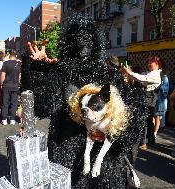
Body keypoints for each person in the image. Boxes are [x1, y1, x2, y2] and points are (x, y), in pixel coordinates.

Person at [27, 13, 146, 189]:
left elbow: (131, 112)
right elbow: (42, 107)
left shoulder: (109, 74)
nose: (82, 45)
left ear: (95, 43)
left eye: (87, 39)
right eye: (78, 40)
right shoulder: (60, 73)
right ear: (69, 44)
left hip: (103, 160)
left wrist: (113, 132)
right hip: (66, 152)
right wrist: (39, 70)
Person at [122, 56, 162, 149]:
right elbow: (141, 76)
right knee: (148, 122)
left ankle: (144, 143)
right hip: (149, 100)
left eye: (150, 62)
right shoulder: (152, 73)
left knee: (144, 122)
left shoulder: (155, 74)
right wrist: (130, 72)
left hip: (149, 100)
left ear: (157, 64)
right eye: (148, 62)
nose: (148, 64)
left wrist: (130, 72)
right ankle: (150, 141)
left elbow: (142, 78)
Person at [0, 50, 21, 125]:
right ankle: (12, 119)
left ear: (9, 55)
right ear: (16, 55)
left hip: (6, 85)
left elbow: (3, 75)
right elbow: (19, 76)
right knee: (14, 103)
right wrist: (18, 83)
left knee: (5, 103)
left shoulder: (5, 63)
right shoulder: (19, 64)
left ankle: (4, 119)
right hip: (15, 85)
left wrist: (1, 84)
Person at [153, 62, 170, 140]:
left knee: (157, 117)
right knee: (154, 116)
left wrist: (156, 87)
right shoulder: (158, 76)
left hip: (160, 101)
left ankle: (154, 133)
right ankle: (153, 132)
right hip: (156, 99)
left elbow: (164, 91)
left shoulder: (164, 78)